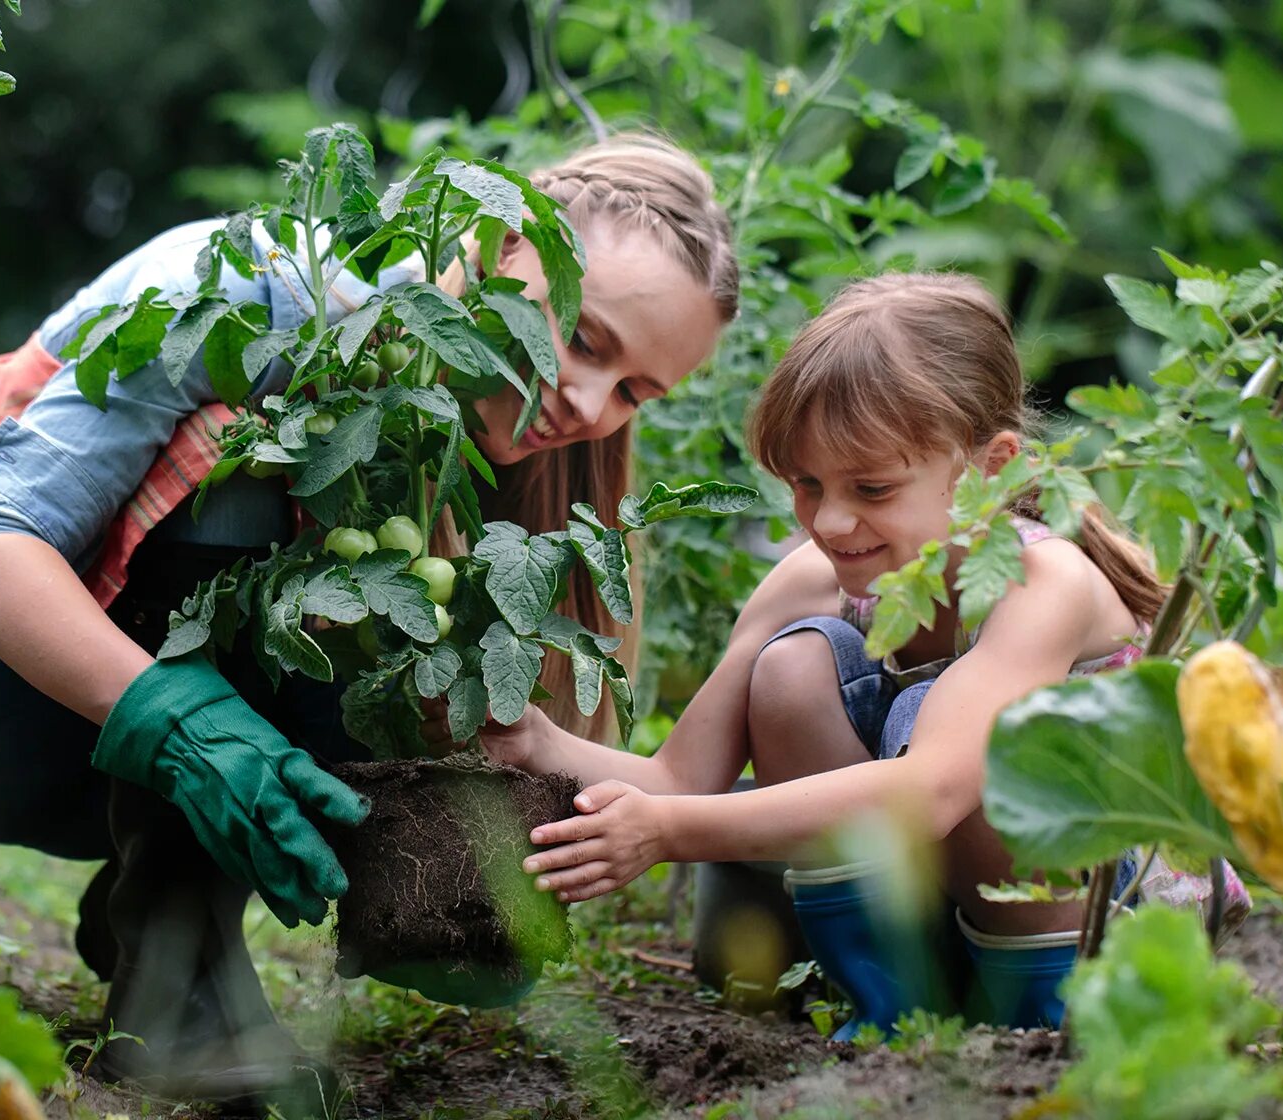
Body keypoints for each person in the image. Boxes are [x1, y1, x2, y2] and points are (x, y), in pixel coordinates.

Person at [0, 132, 739, 1104]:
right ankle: (181, 993)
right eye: (581, 340)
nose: (586, 400)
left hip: (98, 750)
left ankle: (156, 927)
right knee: (253, 451)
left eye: (635, 392)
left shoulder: (496, 444)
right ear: (501, 244)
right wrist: (180, 723)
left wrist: (457, 854)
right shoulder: (263, 297)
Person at [473, 272, 1171, 1037]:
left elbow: (932, 791)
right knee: (792, 670)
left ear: (990, 468)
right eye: (807, 484)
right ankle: (886, 1016)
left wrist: (666, 833)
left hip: (1104, 934)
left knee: (984, 745)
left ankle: (1034, 1028)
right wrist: (536, 742)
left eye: (872, 488)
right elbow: (680, 779)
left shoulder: (1044, 582)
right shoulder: (815, 579)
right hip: (940, 910)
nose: (832, 522)